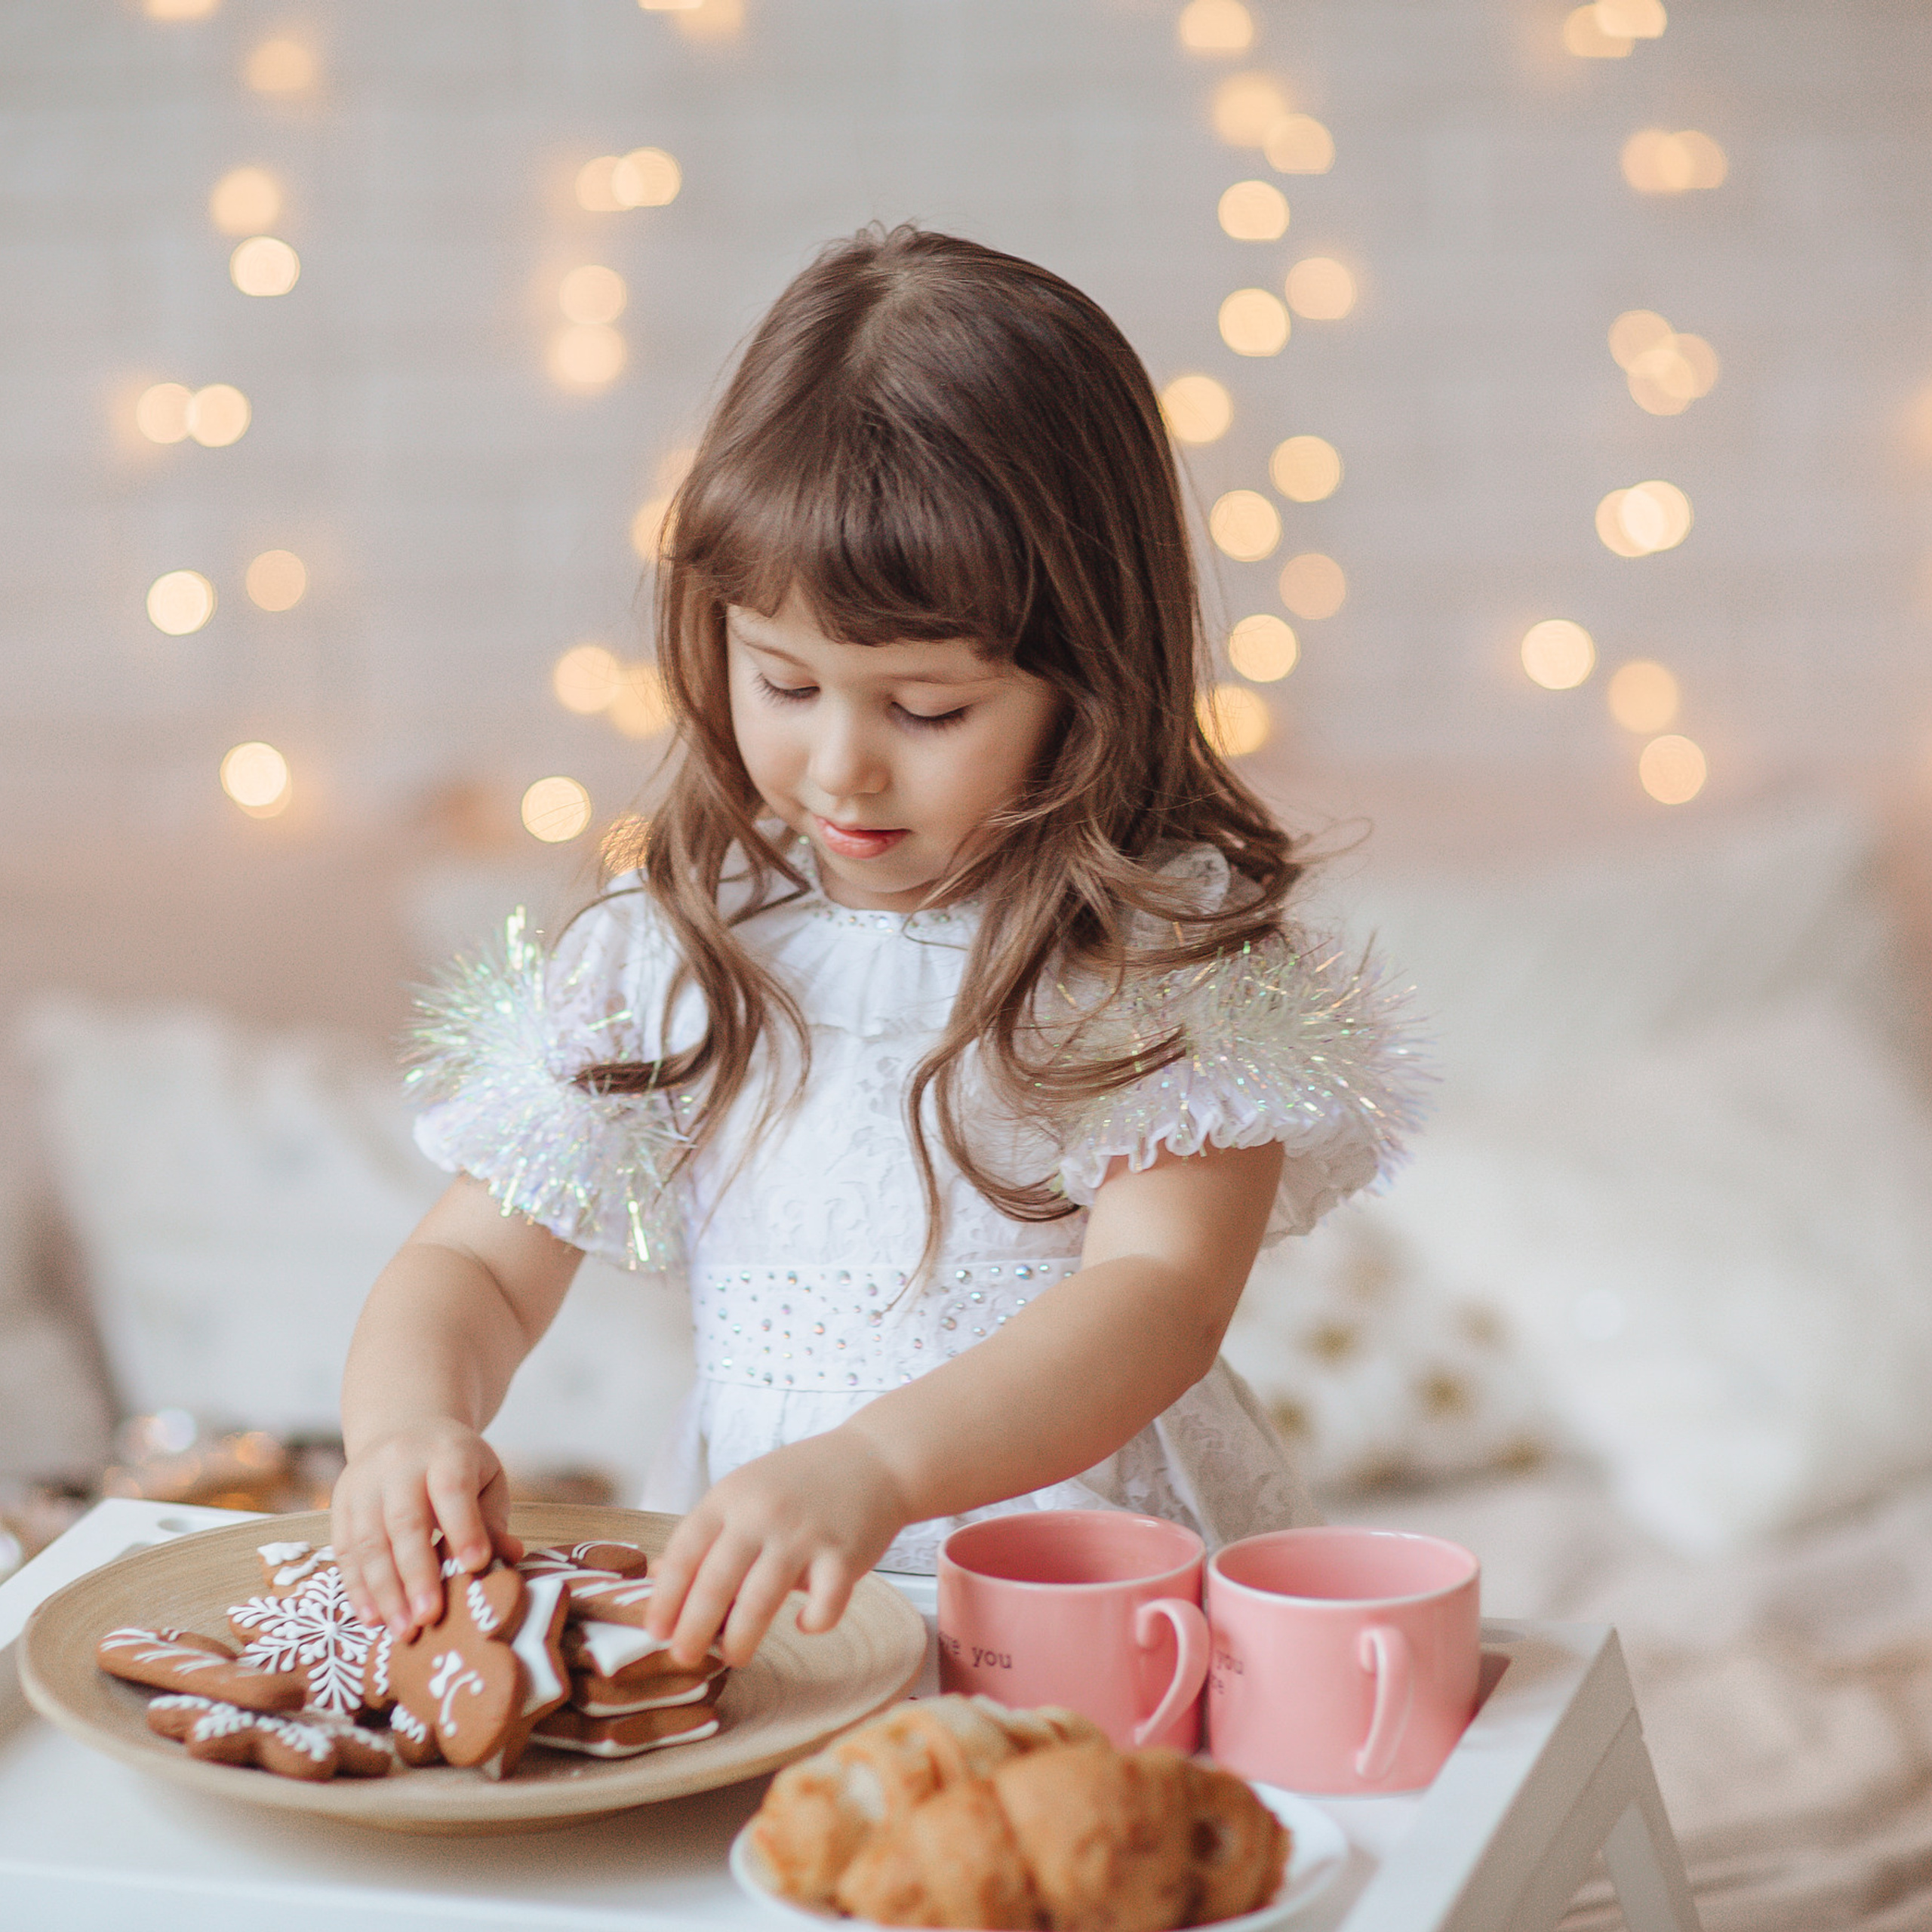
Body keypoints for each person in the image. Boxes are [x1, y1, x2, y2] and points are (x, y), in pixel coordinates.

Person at [331, 225, 1423, 1675]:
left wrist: (878, 1468)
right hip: (775, 1594)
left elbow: (1156, 1302)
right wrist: (407, 1428)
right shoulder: (676, 954)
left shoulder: (1148, 961)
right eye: (785, 683)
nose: (841, 766)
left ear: (1091, 677)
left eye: (926, 710)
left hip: (1083, 1592)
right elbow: (474, 1263)